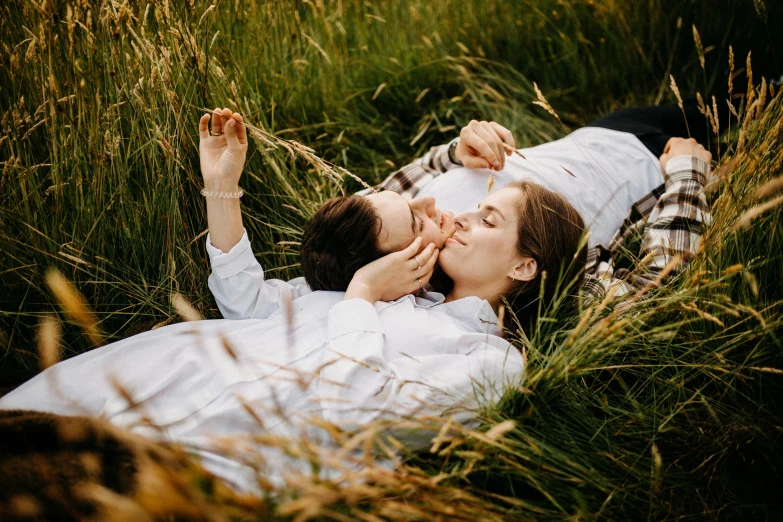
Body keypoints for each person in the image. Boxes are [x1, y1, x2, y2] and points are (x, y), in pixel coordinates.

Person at [0, 109, 588, 494]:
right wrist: (222, 184)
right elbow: (245, 297)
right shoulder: (382, 289)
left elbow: (359, 417)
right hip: (111, 393)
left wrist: (361, 298)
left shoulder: (489, 362)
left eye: (486, 218)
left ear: (525, 265)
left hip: (189, 466)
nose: (458, 218)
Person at [301, 103, 718, 296]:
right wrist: (686, 176)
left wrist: (458, 149)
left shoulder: (369, 219)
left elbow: (421, 170)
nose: (426, 204)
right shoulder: (498, 273)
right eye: (415, 223)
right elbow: (657, 287)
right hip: (655, 169)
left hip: (595, 136)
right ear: (403, 271)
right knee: (740, 128)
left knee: (719, 98)